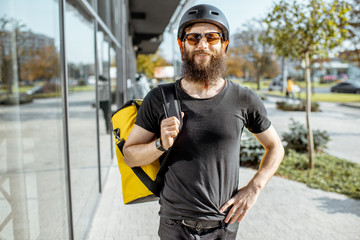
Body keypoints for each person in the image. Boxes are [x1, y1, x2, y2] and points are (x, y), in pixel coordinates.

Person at [123, 4, 284, 239]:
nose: (202, 44)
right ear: (182, 46)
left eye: (212, 37)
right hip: (174, 225)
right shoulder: (159, 98)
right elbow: (130, 155)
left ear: (224, 45)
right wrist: (160, 144)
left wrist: (254, 188)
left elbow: (275, 147)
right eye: (193, 38)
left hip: (223, 226)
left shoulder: (244, 98)